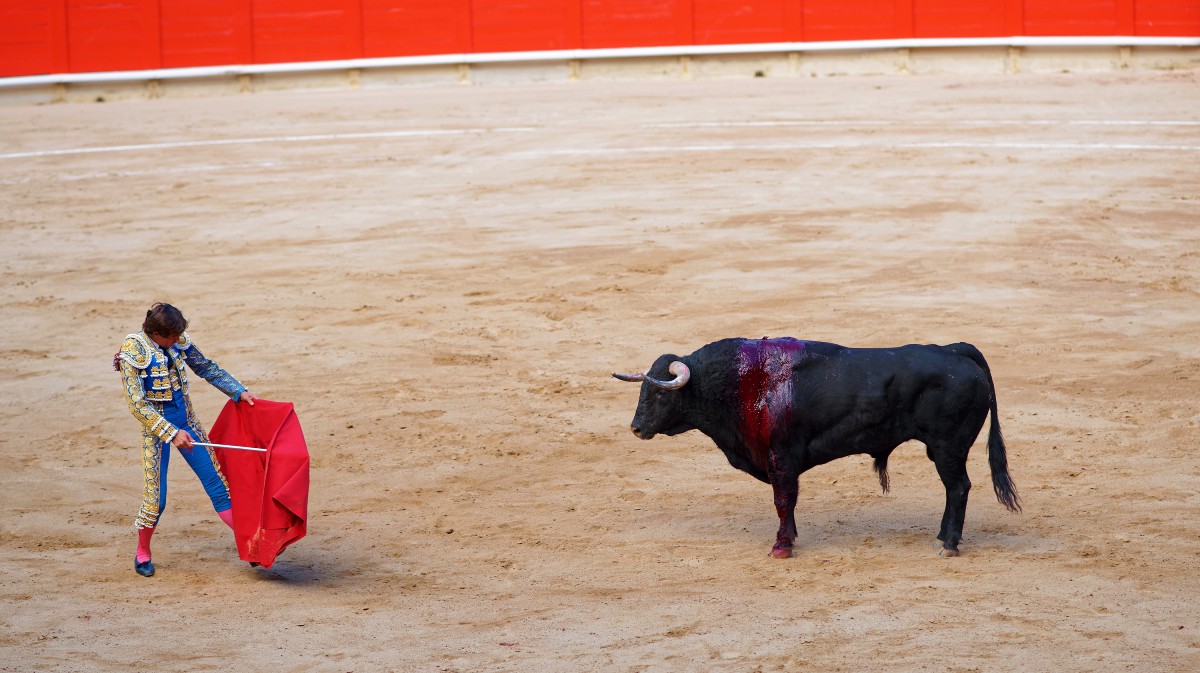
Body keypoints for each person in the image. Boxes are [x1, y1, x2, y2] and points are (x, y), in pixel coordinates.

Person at [113, 303, 257, 577]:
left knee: (219, 486)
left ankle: (251, 544)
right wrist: (170, 432)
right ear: (156, 334)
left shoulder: (176, 339)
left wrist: (238, 391)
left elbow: (205, 367)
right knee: (156, 499)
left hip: (187, 420)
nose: (178, 340)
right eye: (173, 337)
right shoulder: (133, 351)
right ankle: (143, 552)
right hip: (155, 430)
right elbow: (137, 405)